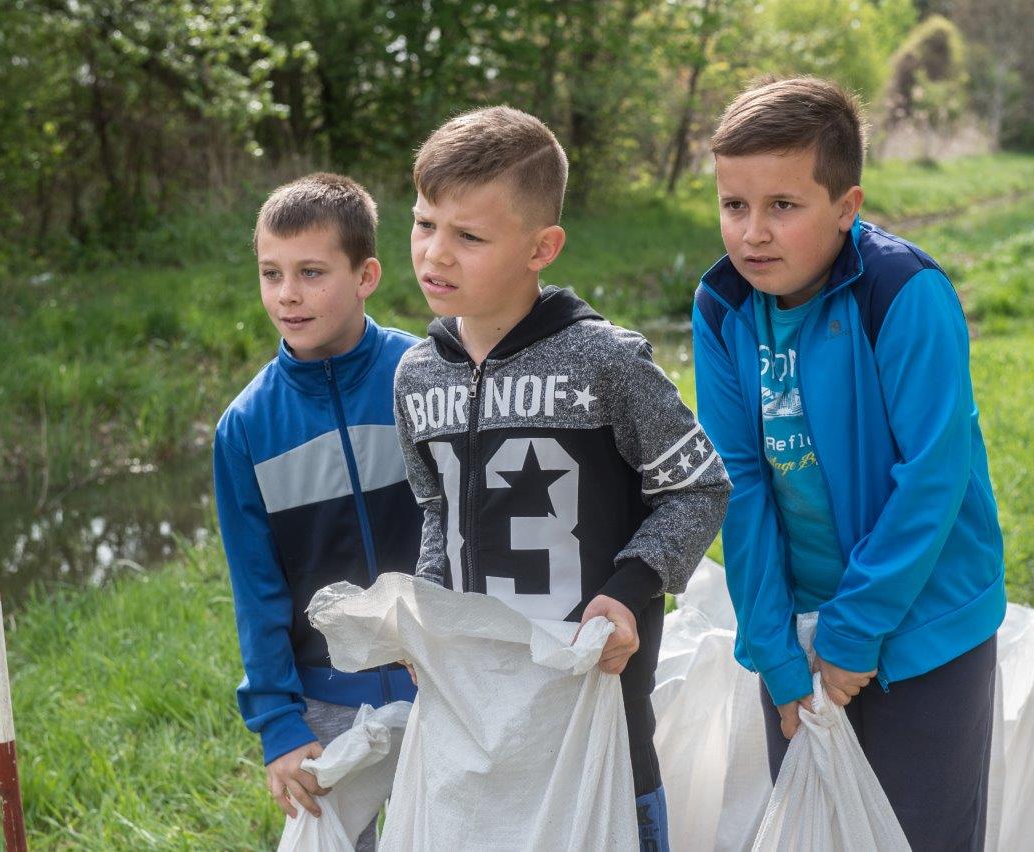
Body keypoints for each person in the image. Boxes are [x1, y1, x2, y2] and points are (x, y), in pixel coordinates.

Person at [393, 106, 730, 851]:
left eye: (468, 236)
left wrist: (630, 590)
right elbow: (434, 509)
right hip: (478, 707)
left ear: (541, 247)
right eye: (424, 224)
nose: (435, 254)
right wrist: (429, 615)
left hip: (594, 699)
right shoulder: (415, 375)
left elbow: (700, 485)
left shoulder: (605, 361)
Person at [691, 76, 1006, 850]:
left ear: (847, 205)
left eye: (784, 206)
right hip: (801, 630)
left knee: (920, 833)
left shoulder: (904, 294)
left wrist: (854, 634)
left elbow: (931, 478)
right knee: (813, 829)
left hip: (929, 623)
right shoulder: (723, 306)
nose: (753, 233)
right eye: (735, 205)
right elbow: (741, 486)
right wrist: (777, 655)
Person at [213, 172, 422, 850]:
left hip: (440, 678)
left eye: (310, 272)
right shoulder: (245, 428)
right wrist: (280, 723)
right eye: (271, 273)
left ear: (366, 275)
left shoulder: (422, 376)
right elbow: (257, 589)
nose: (287, 295)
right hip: (326, 700)